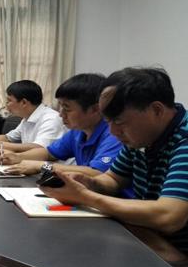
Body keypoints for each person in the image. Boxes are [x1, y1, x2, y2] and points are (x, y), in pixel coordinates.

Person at [41, 68, 188, 256]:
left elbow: (169, 216)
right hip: (149, 235)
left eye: (119, 121)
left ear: (156, 110)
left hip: (177, 251)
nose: (113, 132)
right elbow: (113, 179)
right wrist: (88, 182)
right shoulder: (142, 137)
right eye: (108, 121)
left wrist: (85, 197)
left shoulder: (183, 140)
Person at [0, 73, 122, 176]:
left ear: (95, 109)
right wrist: (17, 157)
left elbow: (98, 173)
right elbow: (49, 153)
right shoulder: (77, 131)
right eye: (61, 107)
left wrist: (43, 166)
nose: (61, 114)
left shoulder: (114, 134)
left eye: (67, 108)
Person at [0, 80, 66, 152]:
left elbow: (40, 148)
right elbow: (8, 138)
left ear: (24, 102)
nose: (6, 105)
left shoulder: (51, 118)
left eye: (9, 101)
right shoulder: (27, 118)